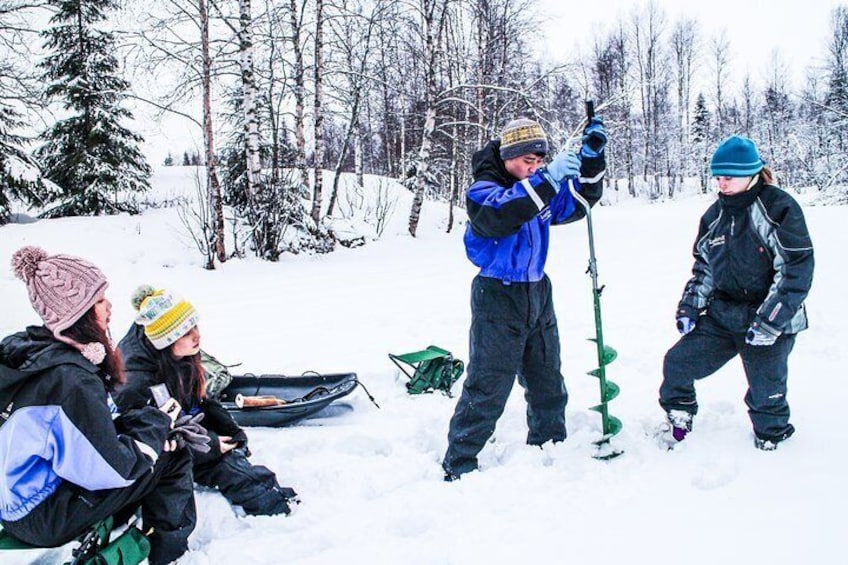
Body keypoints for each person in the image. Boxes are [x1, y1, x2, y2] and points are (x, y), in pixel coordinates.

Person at [0, 247, 196, 565]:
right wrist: (159, 429)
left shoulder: (33, 357)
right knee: (173, 454)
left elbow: (82, 433)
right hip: (43, 512)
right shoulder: (71, 380)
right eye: (99, 301)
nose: (109, 307)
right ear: (75, 312)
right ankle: (169, 555)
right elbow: (112, 469)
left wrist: (142, 423)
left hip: (16, 499)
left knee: (144, 434)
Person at [442, 116, 607, 479]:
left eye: (539, 162)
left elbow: (579, 203)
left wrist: (592, 161)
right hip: (498, 295)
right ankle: (460, 460)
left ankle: (550, 442)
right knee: (489, 384)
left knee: (546, 376)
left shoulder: (535, 187)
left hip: (537, 291)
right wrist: (545, 180)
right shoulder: (484, 191)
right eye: (526, 161)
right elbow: (503, 214)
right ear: (507, 156)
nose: (533, 168)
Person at [659, 135, 814, 451]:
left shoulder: (778, 207)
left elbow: (795, 268)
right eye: (718, 177)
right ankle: (679, 413)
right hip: (724, 315)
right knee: (677, 363)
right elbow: (704, 268)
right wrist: (690, 307)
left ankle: (773, 440)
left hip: (768, 320)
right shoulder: (714, 216)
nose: (722, 183)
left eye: (729, 177)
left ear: (752, 173)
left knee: (766, 390)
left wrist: (770, 321)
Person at [115, 285, 299, 516]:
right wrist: (211, 446)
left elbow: (197, 399)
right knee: (230, 469)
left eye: (195, 326)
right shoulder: (136, 381)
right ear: (167, 339)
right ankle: (278, 510)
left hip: (182, 425)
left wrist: (227, 427)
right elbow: (155, 436)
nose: (197, 335)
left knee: (230, 456)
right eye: (185, 332)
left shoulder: (174, 350)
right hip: (155, 452)